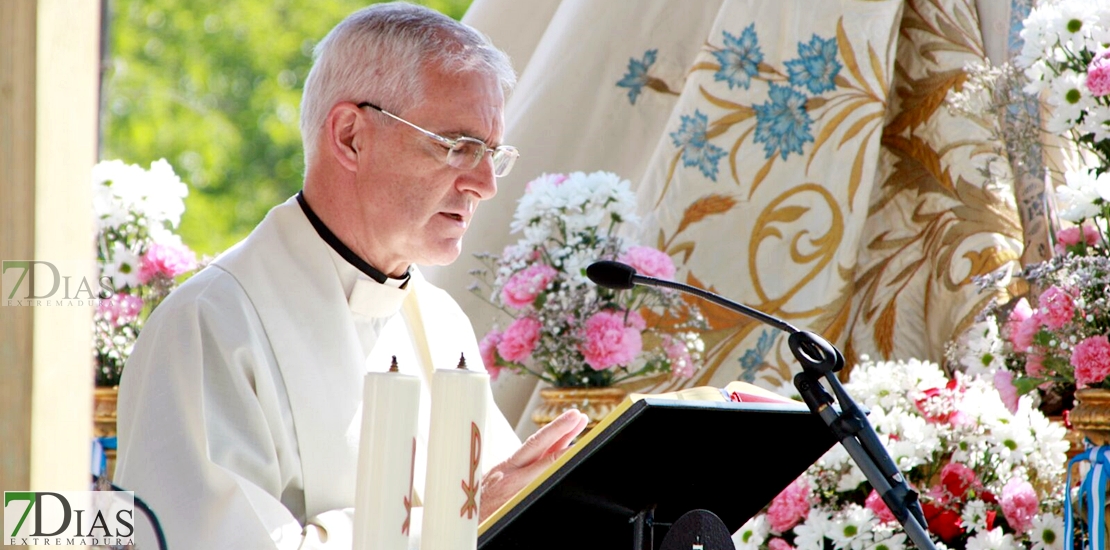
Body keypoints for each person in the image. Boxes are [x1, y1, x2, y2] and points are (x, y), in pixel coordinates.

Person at [113, 3, 588, 548]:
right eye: (459, 147)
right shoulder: (212, 325)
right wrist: (455, 521)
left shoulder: (440, 322)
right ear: (350, 137)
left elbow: (503, 505)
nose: (485, 183)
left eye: (493, 154)